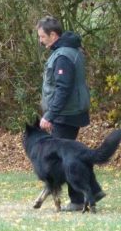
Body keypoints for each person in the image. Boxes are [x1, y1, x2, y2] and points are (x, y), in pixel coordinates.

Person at [36, 15, 105, 211]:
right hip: (70, 111)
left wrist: (50, 114)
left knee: (65, 159)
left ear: (53, 35)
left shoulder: (63, 56)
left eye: (42, 37)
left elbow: (63, 89)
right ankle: (94, 191)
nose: (40, 41)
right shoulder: (70, 51)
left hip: (65, 114)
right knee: (71, 155)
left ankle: (77, 201)